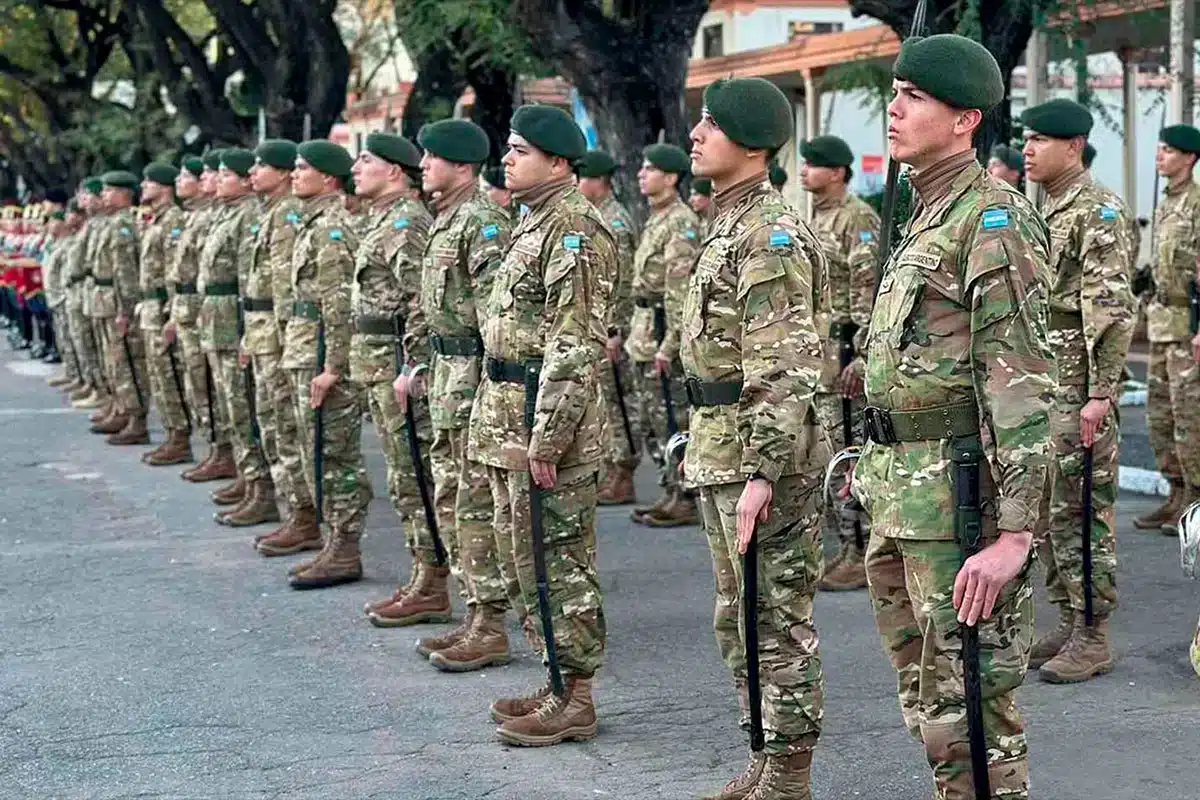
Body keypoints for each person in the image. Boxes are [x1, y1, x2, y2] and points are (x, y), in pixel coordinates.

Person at [851, 35, 1055, 799]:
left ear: (966, 118)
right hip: (903, 495)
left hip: (959, 506)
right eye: (895, 91)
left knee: (972, 708)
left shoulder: (990, 220)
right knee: (930, 707)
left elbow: (1022, 385)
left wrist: (1015, 533)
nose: (894, 108)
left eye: (916, 97)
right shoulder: (926, 212)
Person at [687, 76, 830, 800]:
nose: (695, 135)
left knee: (774, 617)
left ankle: (790, 774)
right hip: (721, 446)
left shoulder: (769, 234)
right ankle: (765, 755)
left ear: (748, 143)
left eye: (710, 125)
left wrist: (764, 472)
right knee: (737, 615)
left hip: (759, 455)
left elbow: (785, 365)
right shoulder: (729, 221)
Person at [469, 104, 615, 746]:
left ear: (558, 163)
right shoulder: (534, 223)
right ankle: (556, 678)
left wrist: (547, 438)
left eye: (521, 151)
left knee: (557, 562)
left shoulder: (576, 230)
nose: (507, 160)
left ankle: (577, 695)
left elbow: (574, 344)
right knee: (523, 558)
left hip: (546, 424)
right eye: (507, 149)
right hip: (508, 416)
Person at [393, 119, 518, 668]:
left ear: (462, 166)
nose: (423, 166)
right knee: (452, 496)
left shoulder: (484, 222)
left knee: (474, 502)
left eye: (432, 157)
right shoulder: (448, 220)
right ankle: (473, 613)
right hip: (446, 376)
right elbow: (428, 307)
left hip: (472, 378)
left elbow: (497, 316)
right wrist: (418, 363)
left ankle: (490, 622)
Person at [1020, 99, 1135, 683]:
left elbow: (1110, 310)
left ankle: (1093, 633)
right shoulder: (1047, 207)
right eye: (1026, 139)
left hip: (1078, 383)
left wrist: (1101, 393)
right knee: (1051, 510)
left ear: (1075, 146)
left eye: (1041, 139)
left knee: (1083, 508)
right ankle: (1069, 617)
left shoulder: (1098, 211)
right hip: (1047, 380)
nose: (1028, 149)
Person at [344, 132, 448, 617]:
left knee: (416, 475)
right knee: (404, 476)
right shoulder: (380, 219)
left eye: (366, 159)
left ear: (393, 172)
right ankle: (422, 573)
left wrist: (414, 366)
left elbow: (419, 303)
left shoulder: (406, 223)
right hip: (378, 362)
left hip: (398, 364)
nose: (356, 167)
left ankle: (435, 579)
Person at [282, 140, 373, 590]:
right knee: (314, 446)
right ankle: (332, 540)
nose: (294, 174)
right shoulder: (312, 222)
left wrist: (334, 366)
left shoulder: (332, 227)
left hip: (323, 354)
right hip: (305, 347)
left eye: (304, 168)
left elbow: (338, 304)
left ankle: (346, 546)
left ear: (329, 179)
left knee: (334, 452)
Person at [799, 134, 879, 592]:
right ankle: (846, 543)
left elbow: (867, 291)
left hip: (846, 354)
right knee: (831, 455)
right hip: (822, 358)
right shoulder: (816, 217)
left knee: (851, 455)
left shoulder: (856, 218)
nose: (805, 171)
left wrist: (865, 355)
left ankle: (861, 549)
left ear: (838, 172)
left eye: (814, 164)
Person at [250, 140, 322, 552]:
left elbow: (284, 286)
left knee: (291, 429)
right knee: (277, 424)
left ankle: (303, 513)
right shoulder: (275, 213)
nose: (252, 173)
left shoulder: (289, 215)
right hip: (272, 332)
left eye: (264, 166)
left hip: (287, 335)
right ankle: (291, 506)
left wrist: (280, 340)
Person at [625, 143, 703, 526]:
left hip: (661, 331)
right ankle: (671, 489)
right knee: (655, 421)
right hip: (644, 331)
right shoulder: (657, 218)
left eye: (650, 168)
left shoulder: (680, 223)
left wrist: (670, 345)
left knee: (674, 418)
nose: (642, 174)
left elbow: (679, 293)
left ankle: (686, 494)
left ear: (671, 178)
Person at [200, 149, 277, 525]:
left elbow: (251, 280)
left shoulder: (248, 215)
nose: (216, 179)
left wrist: (247, 331)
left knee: (243, 405)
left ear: (246, 180)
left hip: (236, 319)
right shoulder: (229, 213)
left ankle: (261, 488)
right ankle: (249, 481)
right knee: (232, 403)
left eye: (225, 174)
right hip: (220, 317)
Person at [1135, 124, 1200, 534]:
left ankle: (1195, 498)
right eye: (1158, 149)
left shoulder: (1196, 203)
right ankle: (1176, 493)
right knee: (1160, 416)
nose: (1160, 156)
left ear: (1189, 158)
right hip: (1161, 324)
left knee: (1189, 416)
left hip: (1187, 327)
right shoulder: (1167, 203)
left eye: (1168, 151)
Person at [575, 149, 642, 505]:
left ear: (600, 181)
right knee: (603, 399)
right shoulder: (595, 217)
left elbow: (623, 281)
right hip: (597, 323)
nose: (577, 183)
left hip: (613, 326)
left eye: (583, 177)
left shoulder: (615, 222)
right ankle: (611, 468)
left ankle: (625, 471)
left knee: (618, 398)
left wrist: (616, 330)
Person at [173, 154, 236, 484]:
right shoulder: (205, 216)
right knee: (202, 386)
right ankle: (220, 451)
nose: (210, 178)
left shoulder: (229, 216)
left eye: (218, 173)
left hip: (222, 314)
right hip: (201, 310)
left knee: (223, 394)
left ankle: (230, 458)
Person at [136, 162, 192, 466]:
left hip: (163, 307)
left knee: (169, 374)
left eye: (150, 181)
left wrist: (172, 314)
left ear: (165, 187)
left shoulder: (173, 220)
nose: (144, 186)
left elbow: (175, 270)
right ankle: (173, 434)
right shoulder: (155, 220)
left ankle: (180, 438)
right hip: (150, 307)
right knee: (158, 374)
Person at [94, 170, 151, 446]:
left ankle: (137, 420)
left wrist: (126, 310)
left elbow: (126, 272)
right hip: (109, 299)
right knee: (118, 361)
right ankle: (124, 411)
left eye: (108, 190)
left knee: (129, 362)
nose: (104, 195)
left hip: (121, 303)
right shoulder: (115, 222)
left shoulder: (124, 224)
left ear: (123, 194)